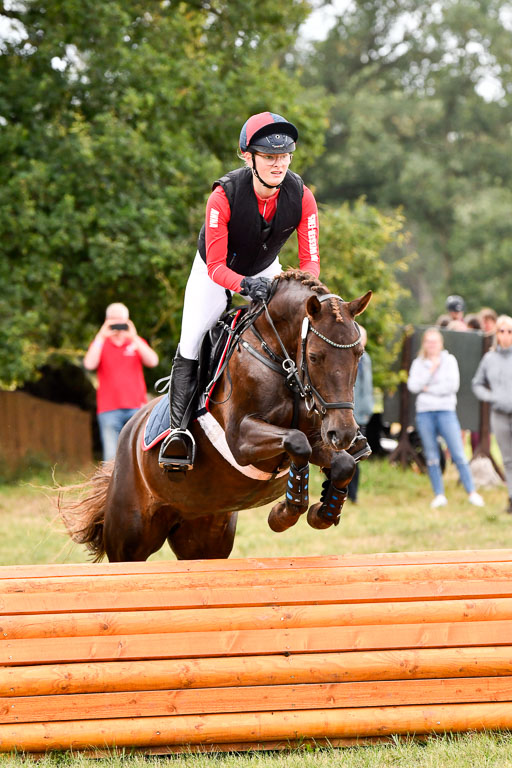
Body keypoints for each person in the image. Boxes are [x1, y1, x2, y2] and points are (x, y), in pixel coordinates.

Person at [159, 110, 369, 472]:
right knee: (192, 338)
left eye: (285, 156)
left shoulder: (301, 195)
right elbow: (215, 265)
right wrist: (243, 285)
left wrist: (303, 294)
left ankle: (332, 419)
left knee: (305, 332)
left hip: (266, 270)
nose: (279, 164)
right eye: (270, 157)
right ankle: (177, 432)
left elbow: (310, 263)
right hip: (214, 270)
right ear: (247, 156)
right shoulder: (223, 195)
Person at [407, 327, 484, 509]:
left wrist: (428, 388)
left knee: (458, 452)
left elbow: (452, 386)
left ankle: (472, 492)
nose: (432, 345)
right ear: (424, 344)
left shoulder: (449, 361)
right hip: (425, 413)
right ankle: (439, 494)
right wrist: (431, 372)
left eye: (435, 342)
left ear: (440, 343)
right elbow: (413, 385)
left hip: (446, 411)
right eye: (428, 342)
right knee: (432, 455)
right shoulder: (419, 363)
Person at [84, 303, 159, 461]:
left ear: (128, 321)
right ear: (107, 321)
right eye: (114, 321)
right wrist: (101, 335)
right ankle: (110, 486)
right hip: (109, 410)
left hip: (137, 408)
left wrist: (134, 336)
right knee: (111, 458)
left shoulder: (136, 343)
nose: (118, 326)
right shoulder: (100, 344)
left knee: (140, 456)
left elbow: (153, 361)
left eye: (121, 321)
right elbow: (89, 364)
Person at [472, 315, 512, 514]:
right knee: (508, 459)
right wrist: (491, 396)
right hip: (500, 413)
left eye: (509, 331)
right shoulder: (490, 358)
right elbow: (477, 383)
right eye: (501, 331)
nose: (505, 335)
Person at [347, 326, 373, 503]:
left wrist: (365, 411)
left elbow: (366, 388)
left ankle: (353, 495)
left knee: (355, 456)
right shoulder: (345, 357)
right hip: (346, 412)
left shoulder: (366, 359)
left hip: (360, 413)